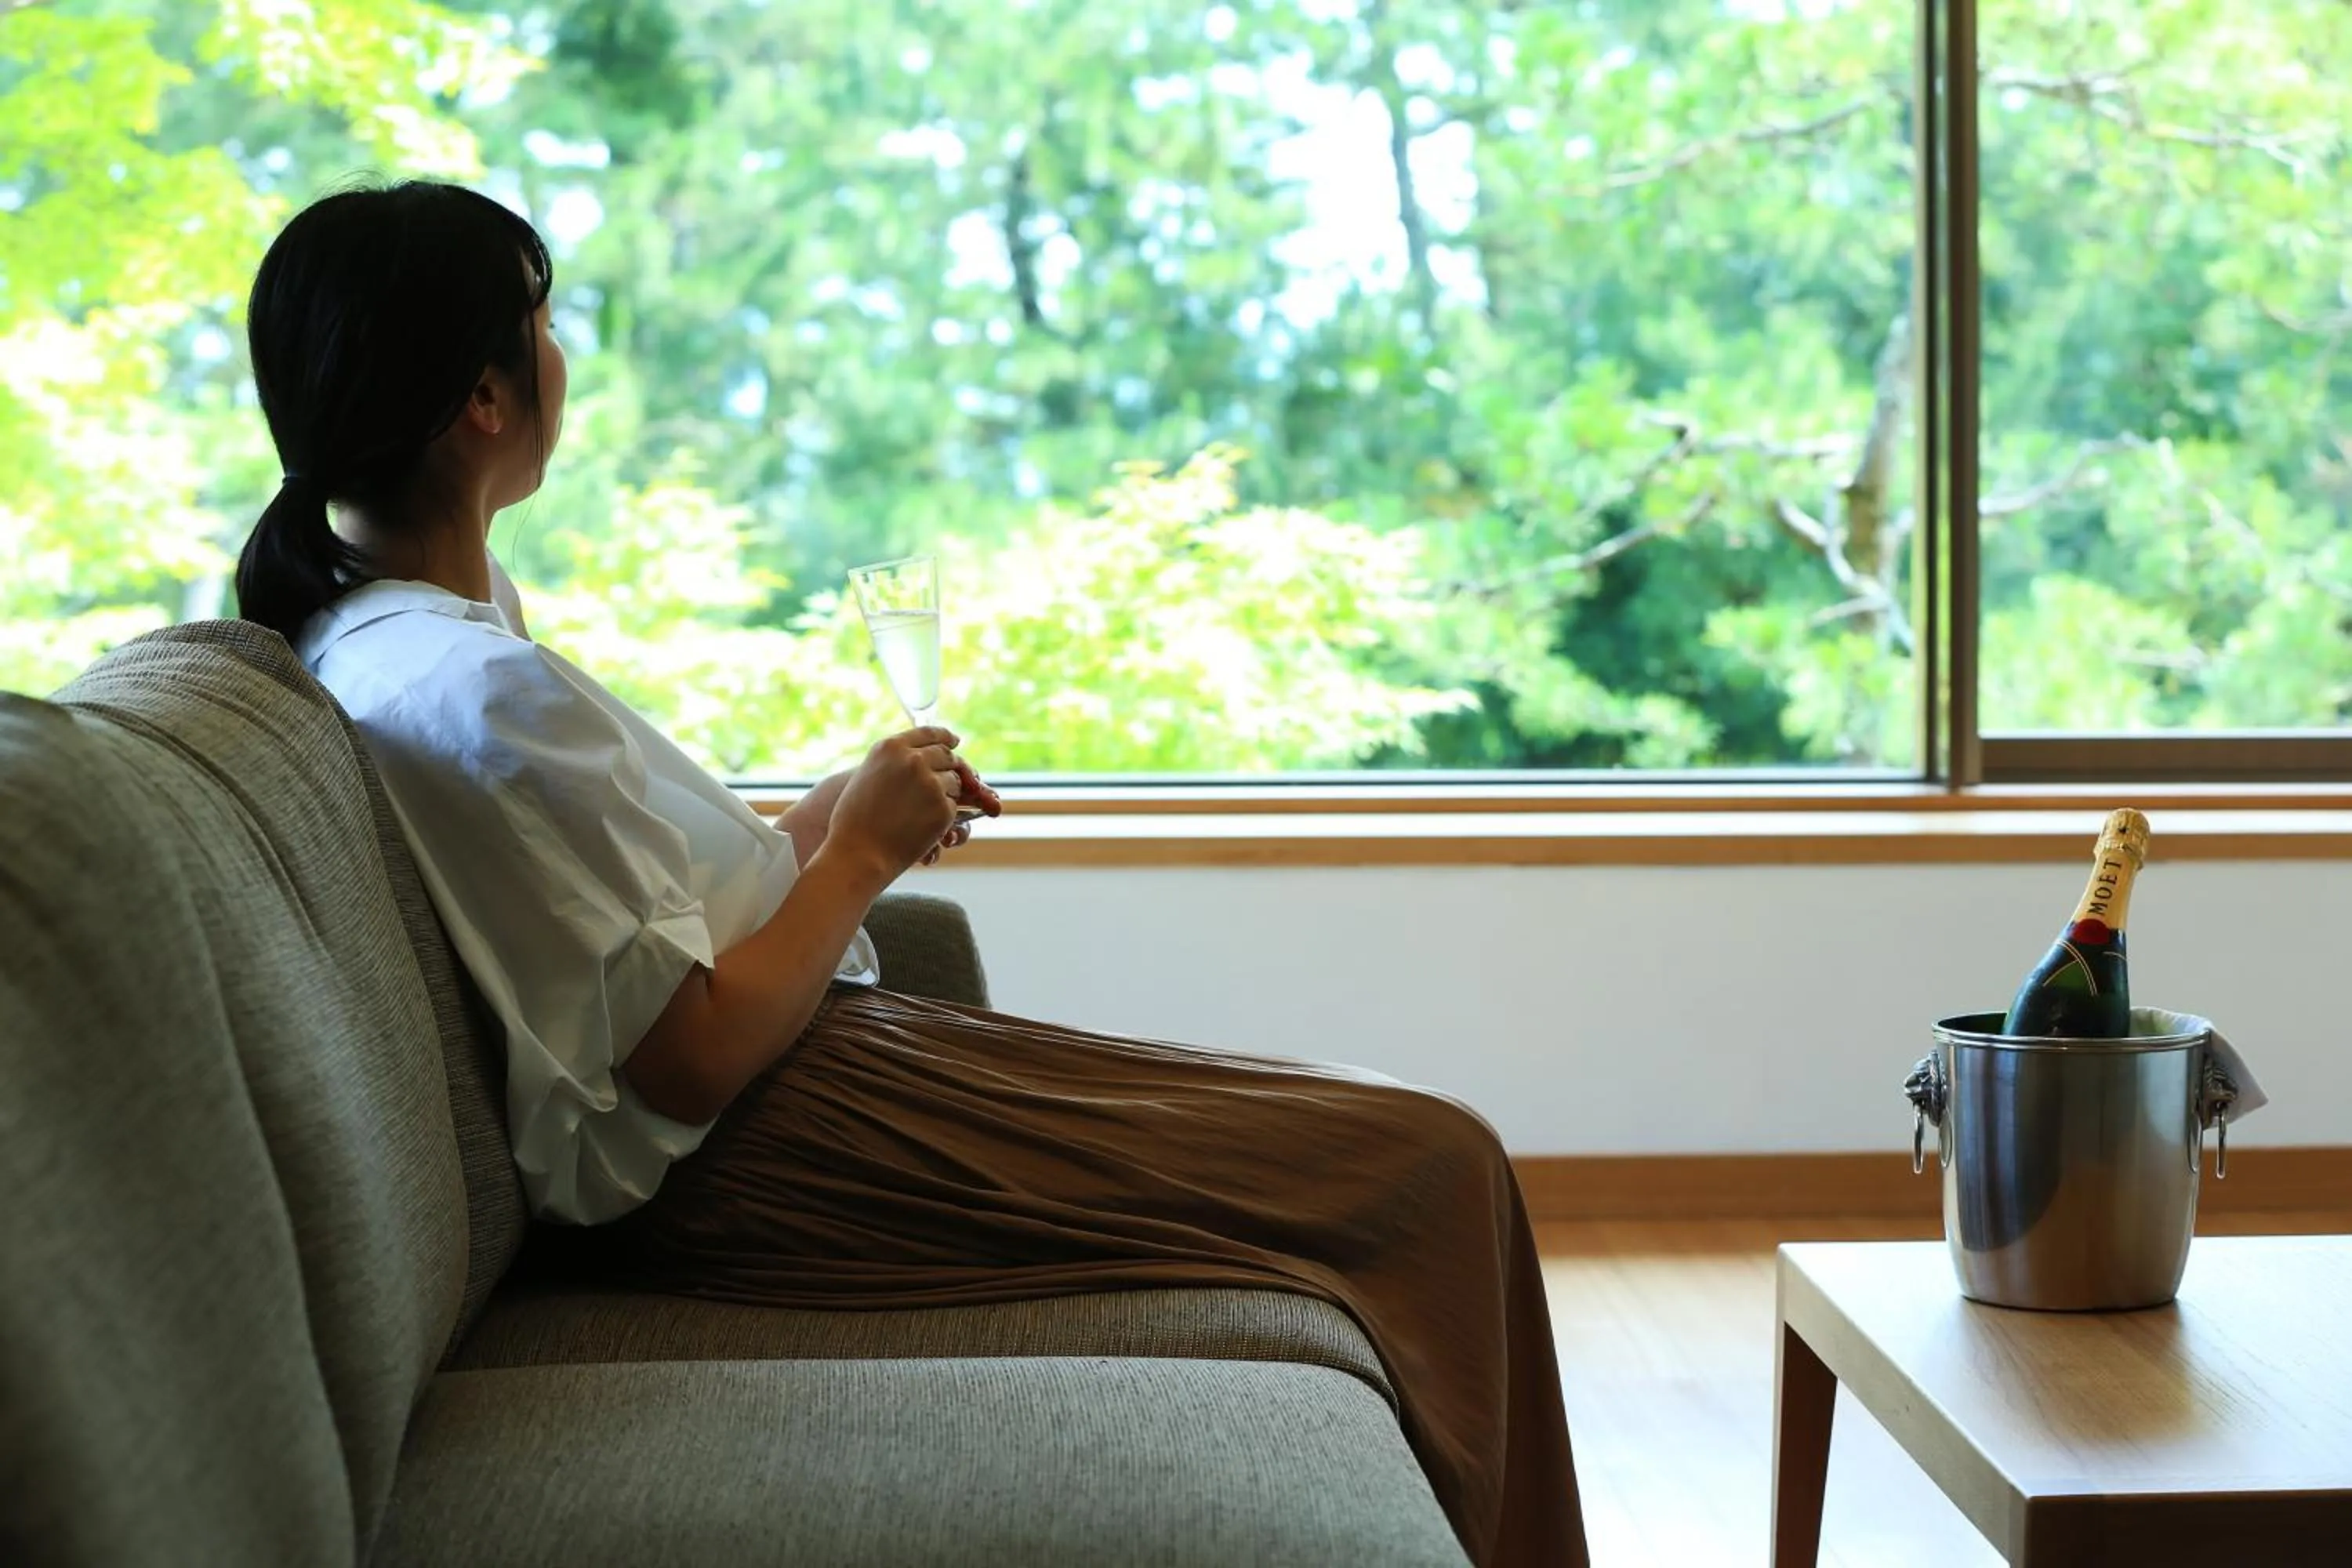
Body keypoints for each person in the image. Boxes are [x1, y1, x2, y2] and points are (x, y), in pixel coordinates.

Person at [235, 180, 1584, 1568]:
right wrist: (862, 858)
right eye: (544, 322)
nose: (559, 350)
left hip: (815, 1084)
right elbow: (683, 1062)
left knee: (1420, 1157)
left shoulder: (400, 636)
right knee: (1433, 1168)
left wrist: (825, 820)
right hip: (781, 1139)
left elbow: (628, 931)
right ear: (486, 402)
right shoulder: (469, 685)